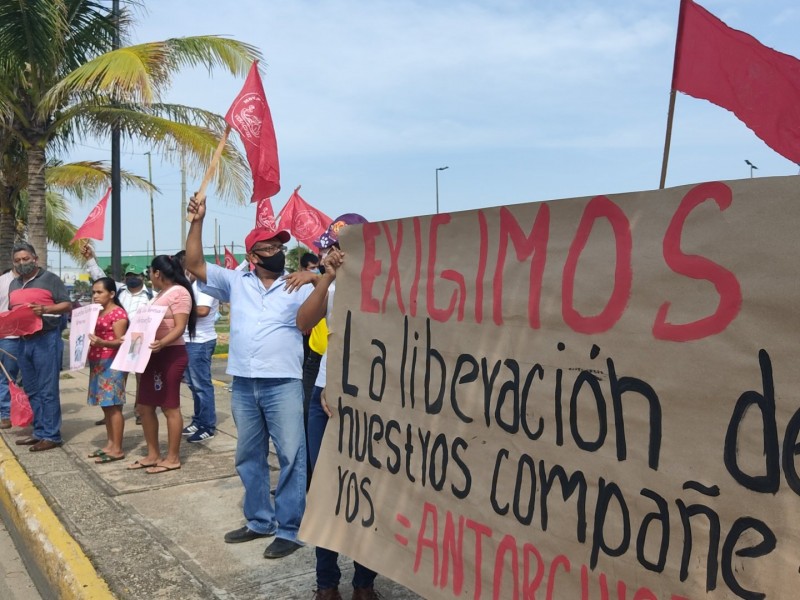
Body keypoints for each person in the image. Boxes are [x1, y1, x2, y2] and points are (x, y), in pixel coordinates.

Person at [184, 193, 316, 559]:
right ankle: (260, 520)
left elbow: (332, 293)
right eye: (270, 246)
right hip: (243, 383)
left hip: (284, 383)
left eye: (280, 245)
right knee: (248, 454)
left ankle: (290, 527)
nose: (278, 250)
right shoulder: (235, 281)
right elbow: (194, 263)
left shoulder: (299, 283)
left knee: (291, 454)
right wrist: (197, 220)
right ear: (254, 256)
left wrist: (316, 275)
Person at [297, 214, 379, 600]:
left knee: (370, 492)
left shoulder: (384, 288)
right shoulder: (327, 287)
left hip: (372, 403)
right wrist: (326, 278)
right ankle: (326, 583)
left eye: (341, 248)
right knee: (325, 490)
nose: (335, 253)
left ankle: (365, 582)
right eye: (330, 248)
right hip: (324, 399)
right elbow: (303, 322)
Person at [127, 255, 196, 475]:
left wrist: (162, 343)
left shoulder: (180, 293)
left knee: (169, 406)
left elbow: (179, 326)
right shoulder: (158, 296)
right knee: (145, 406)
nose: (149, 277)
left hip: (170, 353)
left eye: (150, 272)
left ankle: (173, 458)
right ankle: (153, 454)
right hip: (151, 354)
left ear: (157, 273)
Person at [8, 242, 72, 451]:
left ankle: (52, 435)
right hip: (22, 341)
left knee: (47, 389)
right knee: (32, 389)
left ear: (35, 258)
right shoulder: (14, 284)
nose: (22, 263)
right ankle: (39, 431)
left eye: (26, 259)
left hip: (45, 339)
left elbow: (66, 305)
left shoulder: (50, 279)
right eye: (17, 260)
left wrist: (44, 309)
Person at [82, 244, 151, 425]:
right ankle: (112, 413)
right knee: (119, 378)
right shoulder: (119, 290)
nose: (132, 279)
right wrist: (90, 259)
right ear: (125, 278)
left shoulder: (151, 295)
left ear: (143, 277)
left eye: (136, 276)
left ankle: (139, 411)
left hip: (138, 341)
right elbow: (100, 278)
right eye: (129, 276)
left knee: (141, 378)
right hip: (117, 339)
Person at [174, 250, 219, 443]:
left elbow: (202, 310)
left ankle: (207, 425)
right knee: (193, 385)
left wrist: (179, 309)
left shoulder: (205, 284)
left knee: (202, 385)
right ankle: (199, 419)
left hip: (201, 341)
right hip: (188, 340)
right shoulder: (188, 285)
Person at [86, 277, 128, 463]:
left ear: (111, 294)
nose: (95, 295)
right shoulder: (98, 312)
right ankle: (110, 444)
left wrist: (103, 343)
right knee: (106, 406)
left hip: (112, 363)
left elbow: (122, 341)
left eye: (99, 292)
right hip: (98, 363)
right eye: (93, 292)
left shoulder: (118, 314)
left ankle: (117, 448)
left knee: (113, 406)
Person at [0, 267, 20, 429]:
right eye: (18, 259)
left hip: (29, 337)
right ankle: (6, 414)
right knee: (6, 377)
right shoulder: (3, 281)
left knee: (27, 377)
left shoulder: (34, 282)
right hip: (7, 338)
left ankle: (26, 410)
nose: (22, 262)